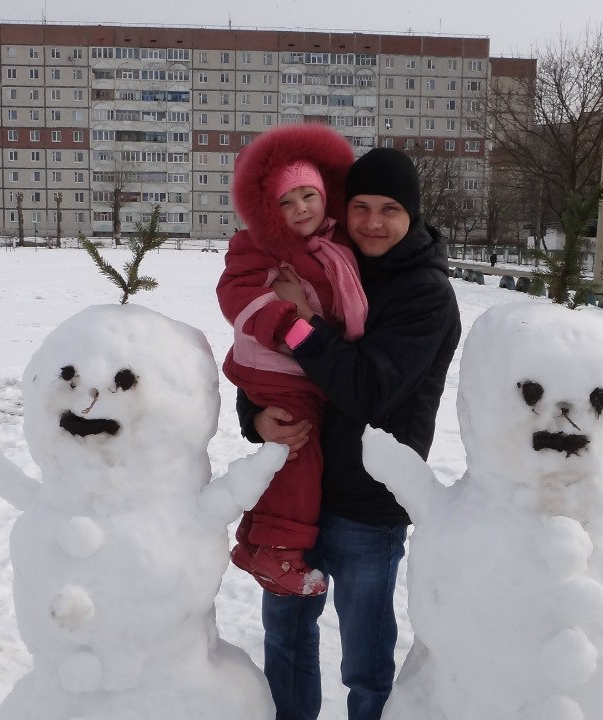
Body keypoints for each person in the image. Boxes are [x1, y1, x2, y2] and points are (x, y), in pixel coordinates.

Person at [236, 147, 461, 720]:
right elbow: (267, 359)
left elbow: (367, 390)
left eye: (390, 209)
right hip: (300, 493)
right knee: (286, 639)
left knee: (365, 661)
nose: (372, 223)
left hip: (367, 504)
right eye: (360, 206)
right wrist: (255, 415)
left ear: (413, 213)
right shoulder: (329, 260)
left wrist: (301, 324)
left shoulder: (425, 294)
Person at [217, 124, 366, 597]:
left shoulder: (337, 244)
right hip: (276, 366)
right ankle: (277, 552)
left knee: (289, 454)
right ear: (269, 210)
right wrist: (287, 322)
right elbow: (235, 292)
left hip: (306, 368)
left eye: (308, 195)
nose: (300, 208)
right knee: (300, 454)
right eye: (286, 201)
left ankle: (254, 539)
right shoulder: (260, 243)